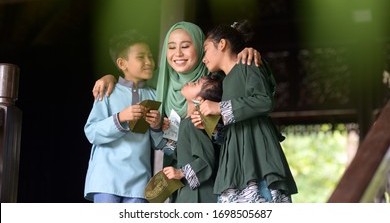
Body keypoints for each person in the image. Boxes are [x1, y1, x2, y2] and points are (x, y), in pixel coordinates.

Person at [91, 21, 262, 168]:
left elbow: (253, 100)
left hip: (221, 164)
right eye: (171, 47)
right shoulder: (158, 80)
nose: (178, 53)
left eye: (186, 46)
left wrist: (245, 54)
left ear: (201, 47)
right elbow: (131, 78)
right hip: (176, 168)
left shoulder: (217, 77)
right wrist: (110, 77)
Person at [197, 20, 298, 203]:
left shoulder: (248, 62)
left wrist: (218, 107)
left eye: (205, 50)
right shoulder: (225, 81)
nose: (203, 58)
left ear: (222, 44)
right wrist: (211, 123)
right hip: (235, 155)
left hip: (256, 149)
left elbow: (264, 101)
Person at [84, 30, 166, 203]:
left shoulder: (155, 96)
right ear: (122, 63)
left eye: (150, 56)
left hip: (139, 183)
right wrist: (120, 117)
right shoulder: (107, 92)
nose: (149, 62)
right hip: (106, 179)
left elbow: (159, 144)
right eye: (141, 57)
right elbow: (91, 132)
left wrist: (157, 126)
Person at [162, 73, 223, 203]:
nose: (190, 82)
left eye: (195, 84)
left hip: (199, 196)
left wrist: (180, 173)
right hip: (186, 193)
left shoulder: (195, 124)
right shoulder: (185, 122)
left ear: (200, 100)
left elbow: (206, 160)